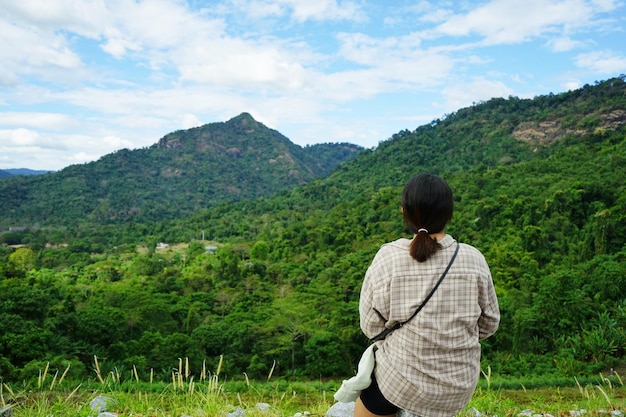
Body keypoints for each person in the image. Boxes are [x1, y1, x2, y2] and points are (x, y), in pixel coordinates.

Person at [355, 173, 500, 417]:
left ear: (405, 212)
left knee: (370, 402)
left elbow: (371, 327)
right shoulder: (474, 259)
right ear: (449, 213)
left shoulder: (388, 257)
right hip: (457, 386)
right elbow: (489, 324)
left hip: (401, 381)